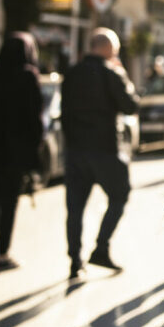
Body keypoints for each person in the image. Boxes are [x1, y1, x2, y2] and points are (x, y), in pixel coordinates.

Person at [62, 27, 139, 280]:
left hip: (75, 151)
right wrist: (123, 74)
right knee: (120, 195)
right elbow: (131, 105)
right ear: (107, 48)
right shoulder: (111, 73)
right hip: (105, 150)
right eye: (115, 48)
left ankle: (75, 261)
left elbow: (63, 113)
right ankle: (101, 248)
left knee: (75, 208)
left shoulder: (71, 74)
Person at [0, 33, 43, 273]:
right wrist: (35, 152)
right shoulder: (27, 77)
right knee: (9, 202)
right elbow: (35, 119)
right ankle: (3, 254)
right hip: (16, 153)